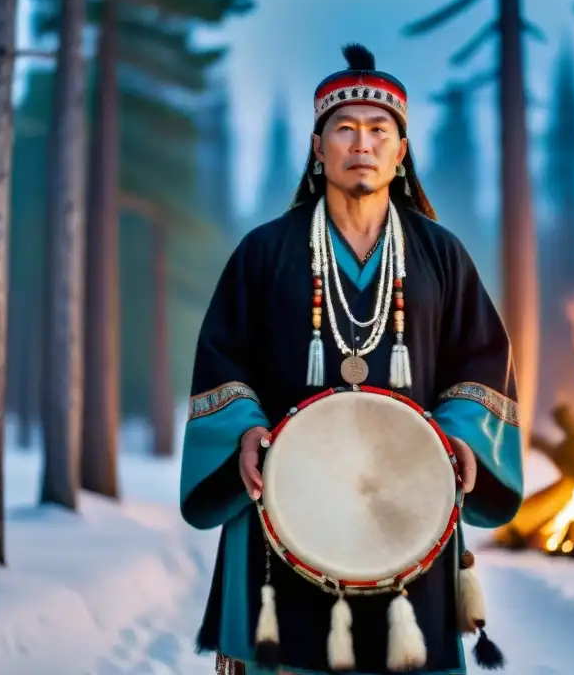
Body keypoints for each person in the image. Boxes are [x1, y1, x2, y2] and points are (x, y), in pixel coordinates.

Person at [180, 44, 524, 675]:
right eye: (344, 129)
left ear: (400, 151)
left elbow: (480, 363)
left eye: (378, 130)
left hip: (406, 507)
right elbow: (222, 362)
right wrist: (247, 430)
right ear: (318, 149)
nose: (360, 143)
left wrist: (458, 439)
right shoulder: (264, 252)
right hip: (284, 509)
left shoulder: (442, 256)